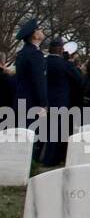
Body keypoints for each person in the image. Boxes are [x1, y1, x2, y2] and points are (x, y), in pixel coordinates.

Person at [41, 36, 82, 166]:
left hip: (44, 102)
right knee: (56, 133)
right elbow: (78, 79)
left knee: (43, 132)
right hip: (60, 102)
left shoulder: (43, 62)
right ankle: (50, 160)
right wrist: (70, 62)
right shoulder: (65, 64)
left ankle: (38, 158)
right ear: (60, 49)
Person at [13, 19, 48, 144]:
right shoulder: (35, 55)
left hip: (21, 100)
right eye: (39, 29)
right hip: (32, 103)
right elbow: (39, 81)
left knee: (21, 137)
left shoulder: (22, 53)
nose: (42, 31)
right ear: (34, 35)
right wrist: (43, 103)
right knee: (30, 139)